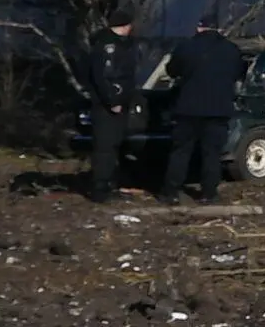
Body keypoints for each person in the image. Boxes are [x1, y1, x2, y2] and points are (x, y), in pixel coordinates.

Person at [163, 18, 248, 204]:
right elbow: (239, 73)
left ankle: (172, 192)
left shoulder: (186, 46)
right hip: (218, 108)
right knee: (212, 154)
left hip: (188, 108)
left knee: (181, 152)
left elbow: (172, 70)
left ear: (199, 27)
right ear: (219, 28)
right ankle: (209, 193)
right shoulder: (231, 50)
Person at [85, 11, 159, 202]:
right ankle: (100, 188)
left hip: (120, 103)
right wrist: (113, 101)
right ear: (124, 25)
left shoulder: (122, 45)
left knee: (114, 145)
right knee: (105, 147)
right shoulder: (107, 46)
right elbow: (105, 77)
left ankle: (109, 183)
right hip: (108, 106)